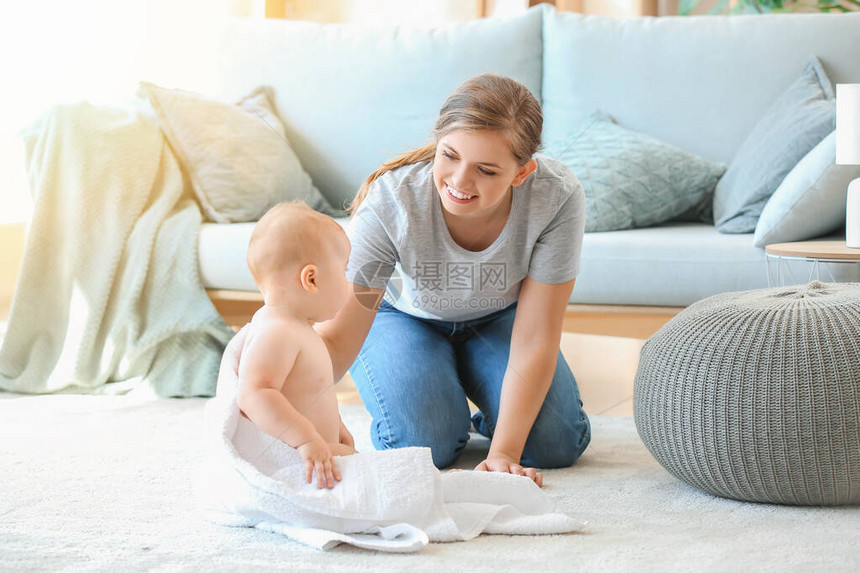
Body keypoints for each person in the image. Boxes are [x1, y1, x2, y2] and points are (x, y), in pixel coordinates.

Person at [224, 73, 590, 487]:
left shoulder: (556, 197)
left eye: (486, 170)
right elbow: (335, 340)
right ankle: (447, 393)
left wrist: (503, 453)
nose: (460, 182)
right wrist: (307, 426)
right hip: (401, 318)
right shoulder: (391, 201)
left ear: (522, 173)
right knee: (423, 444)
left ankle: (472, 393)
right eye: (449, 155)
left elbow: (536, 338)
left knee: (556, 443)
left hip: (500, 321)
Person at [235, 201, 357, 490]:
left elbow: (311, 391)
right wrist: (306, 440)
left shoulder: (297, 328)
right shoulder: (278, 331)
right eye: (345, 271)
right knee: (389, 480)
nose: (350, 283)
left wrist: (335, 427)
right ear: (311, 279)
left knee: (366, 469)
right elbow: (254, 393)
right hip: (295, 460)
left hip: (315, 451)